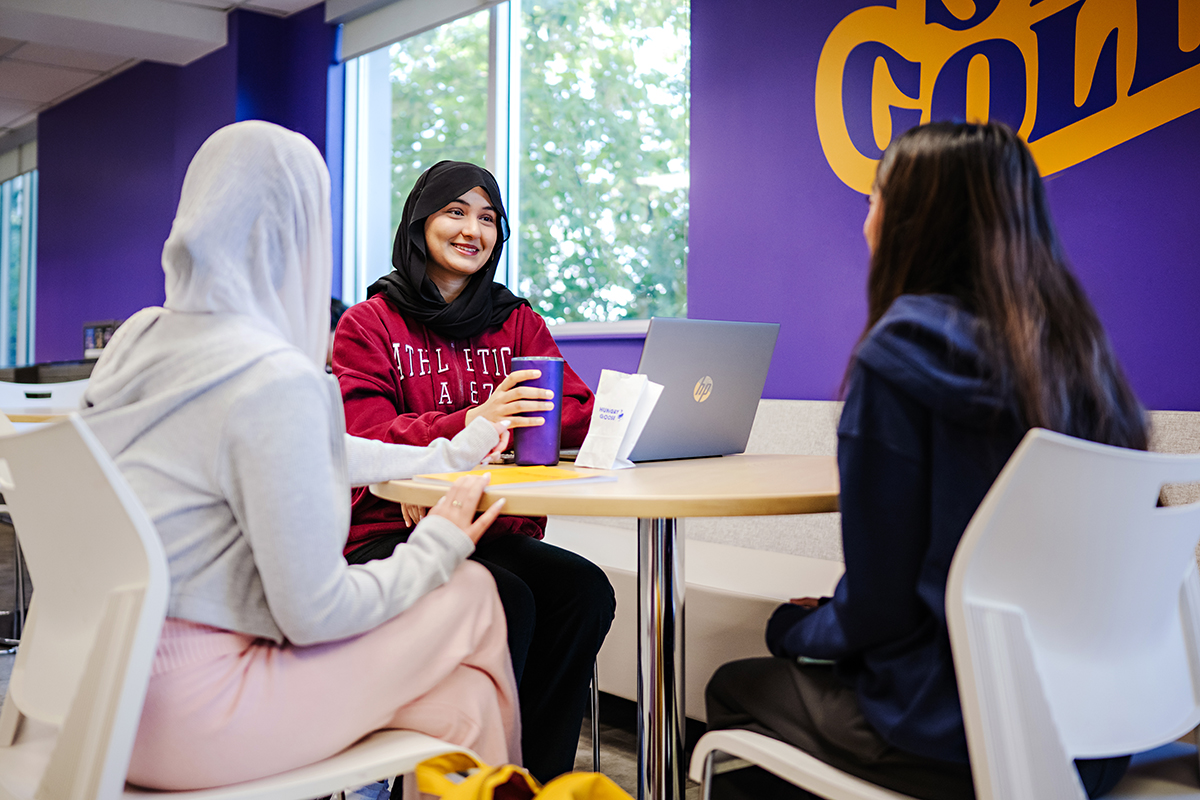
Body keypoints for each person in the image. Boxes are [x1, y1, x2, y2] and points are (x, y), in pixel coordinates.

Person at [704, 122, 1147, 800]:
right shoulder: (1081, 360)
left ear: (915, 219)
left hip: (953, 727)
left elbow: (877, 613)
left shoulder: (901, 355)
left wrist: (798, 628)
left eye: (873, 200)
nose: (866, 221)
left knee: (733, 684)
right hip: (1096, 728)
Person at [80, 122, 521, 790]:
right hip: (204, 715)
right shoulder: (271, 376)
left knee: (466, 706)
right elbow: (315, 615)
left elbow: (286, 446)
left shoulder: (142, 340)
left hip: (104, 697)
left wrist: (439, 456)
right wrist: (437, 543)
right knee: (474, 593)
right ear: (304, 232)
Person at [333, 160, 615, 781]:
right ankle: (464, 782)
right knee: (506, 598)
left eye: (488, 218)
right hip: (385, 533)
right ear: (420, 223)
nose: (472, 230)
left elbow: (575, 410)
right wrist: (474, 423)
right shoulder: (368, 324)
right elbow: (363, 436)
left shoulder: (516, 321)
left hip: (490, 527)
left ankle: (533, 782)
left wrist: (487, 432)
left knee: (583, 591)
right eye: (455, 212)